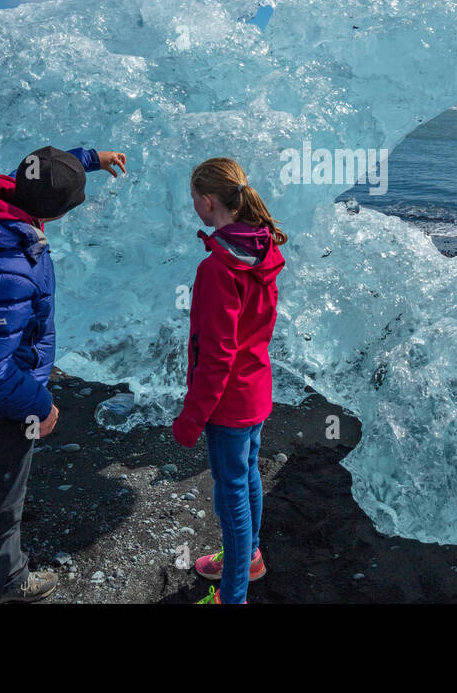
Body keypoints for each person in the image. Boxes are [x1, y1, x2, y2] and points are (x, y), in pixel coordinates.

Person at [0, 144, 126, 603]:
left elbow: (38, 176)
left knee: (1, 504)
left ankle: (9, 576)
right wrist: (40, 404)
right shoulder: (4, 269)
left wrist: (90, 157)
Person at [172, 157, 287, 605]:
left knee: (231, 496)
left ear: (207, 202)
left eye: (193, 199)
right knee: (246, 475)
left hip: (230, 404)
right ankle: (250, 559)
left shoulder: (219, 269)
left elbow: (216, 355)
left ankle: (233, 595)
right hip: (256, 390)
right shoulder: (263, 249)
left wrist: (191, 418)